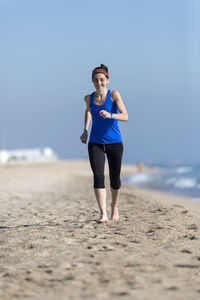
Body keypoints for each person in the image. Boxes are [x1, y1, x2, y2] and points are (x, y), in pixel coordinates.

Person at [80, 64, 128, 223]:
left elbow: (125, 116)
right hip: (95, 143)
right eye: (96, 80)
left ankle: (114, 208)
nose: (99, 83)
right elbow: (88, 110)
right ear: (92, 81)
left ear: (107, 80)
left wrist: (111, 115)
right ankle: (103, 213)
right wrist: (85, 130)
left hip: (115, 142)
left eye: (101, 80)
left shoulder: (114, 95)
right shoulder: (88, 98)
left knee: (115, 179)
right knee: (98, 176)